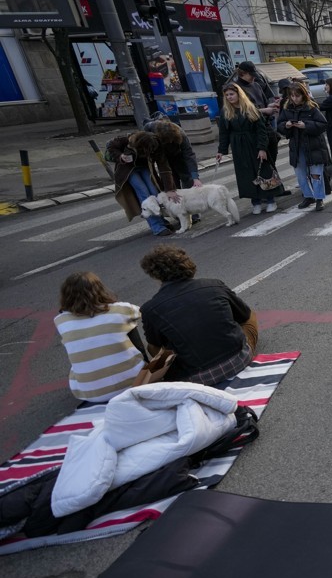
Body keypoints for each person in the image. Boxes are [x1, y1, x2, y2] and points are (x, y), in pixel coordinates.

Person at [139, 245, 258, 384]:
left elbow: (154, 347)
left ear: (155, 275)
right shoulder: (214, 285)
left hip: (196, 379)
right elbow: (244, 316)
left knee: (155, 346)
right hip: (239, 360)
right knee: (249, 317)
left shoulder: (149, 308)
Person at [54, 272, 146, 402]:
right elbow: (142, 311)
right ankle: (142, 365)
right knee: (129, 324)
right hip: (135, 383)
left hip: (91, 395)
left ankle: (95, 380)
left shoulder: (61, 320)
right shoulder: (121, 309)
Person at [216, 83, 274, 215]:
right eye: (227, 95)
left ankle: (270, 199)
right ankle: (256, 202)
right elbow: (224, 133)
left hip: (253, 143)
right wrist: (221, 150)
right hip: (238, 147)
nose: (229, 97)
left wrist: (262, 148)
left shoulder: (250, 108)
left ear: (238, 94)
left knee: (262, 171)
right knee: (246, 175)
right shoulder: (225, 111)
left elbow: (261, 130)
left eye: (232, 94)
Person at [277, 82, 330, 211]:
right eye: (292, 96)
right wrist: (286, 125)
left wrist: (306, 125)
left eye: (297, 96)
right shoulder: (287, 109)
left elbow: (323, 124)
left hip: (314, 145)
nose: (294, 99)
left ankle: (319, 198)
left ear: (303, 95)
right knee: (300, 174)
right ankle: (308, 196)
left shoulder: (311, 108)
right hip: (297, 145)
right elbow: (279, 125)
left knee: (316, 173)